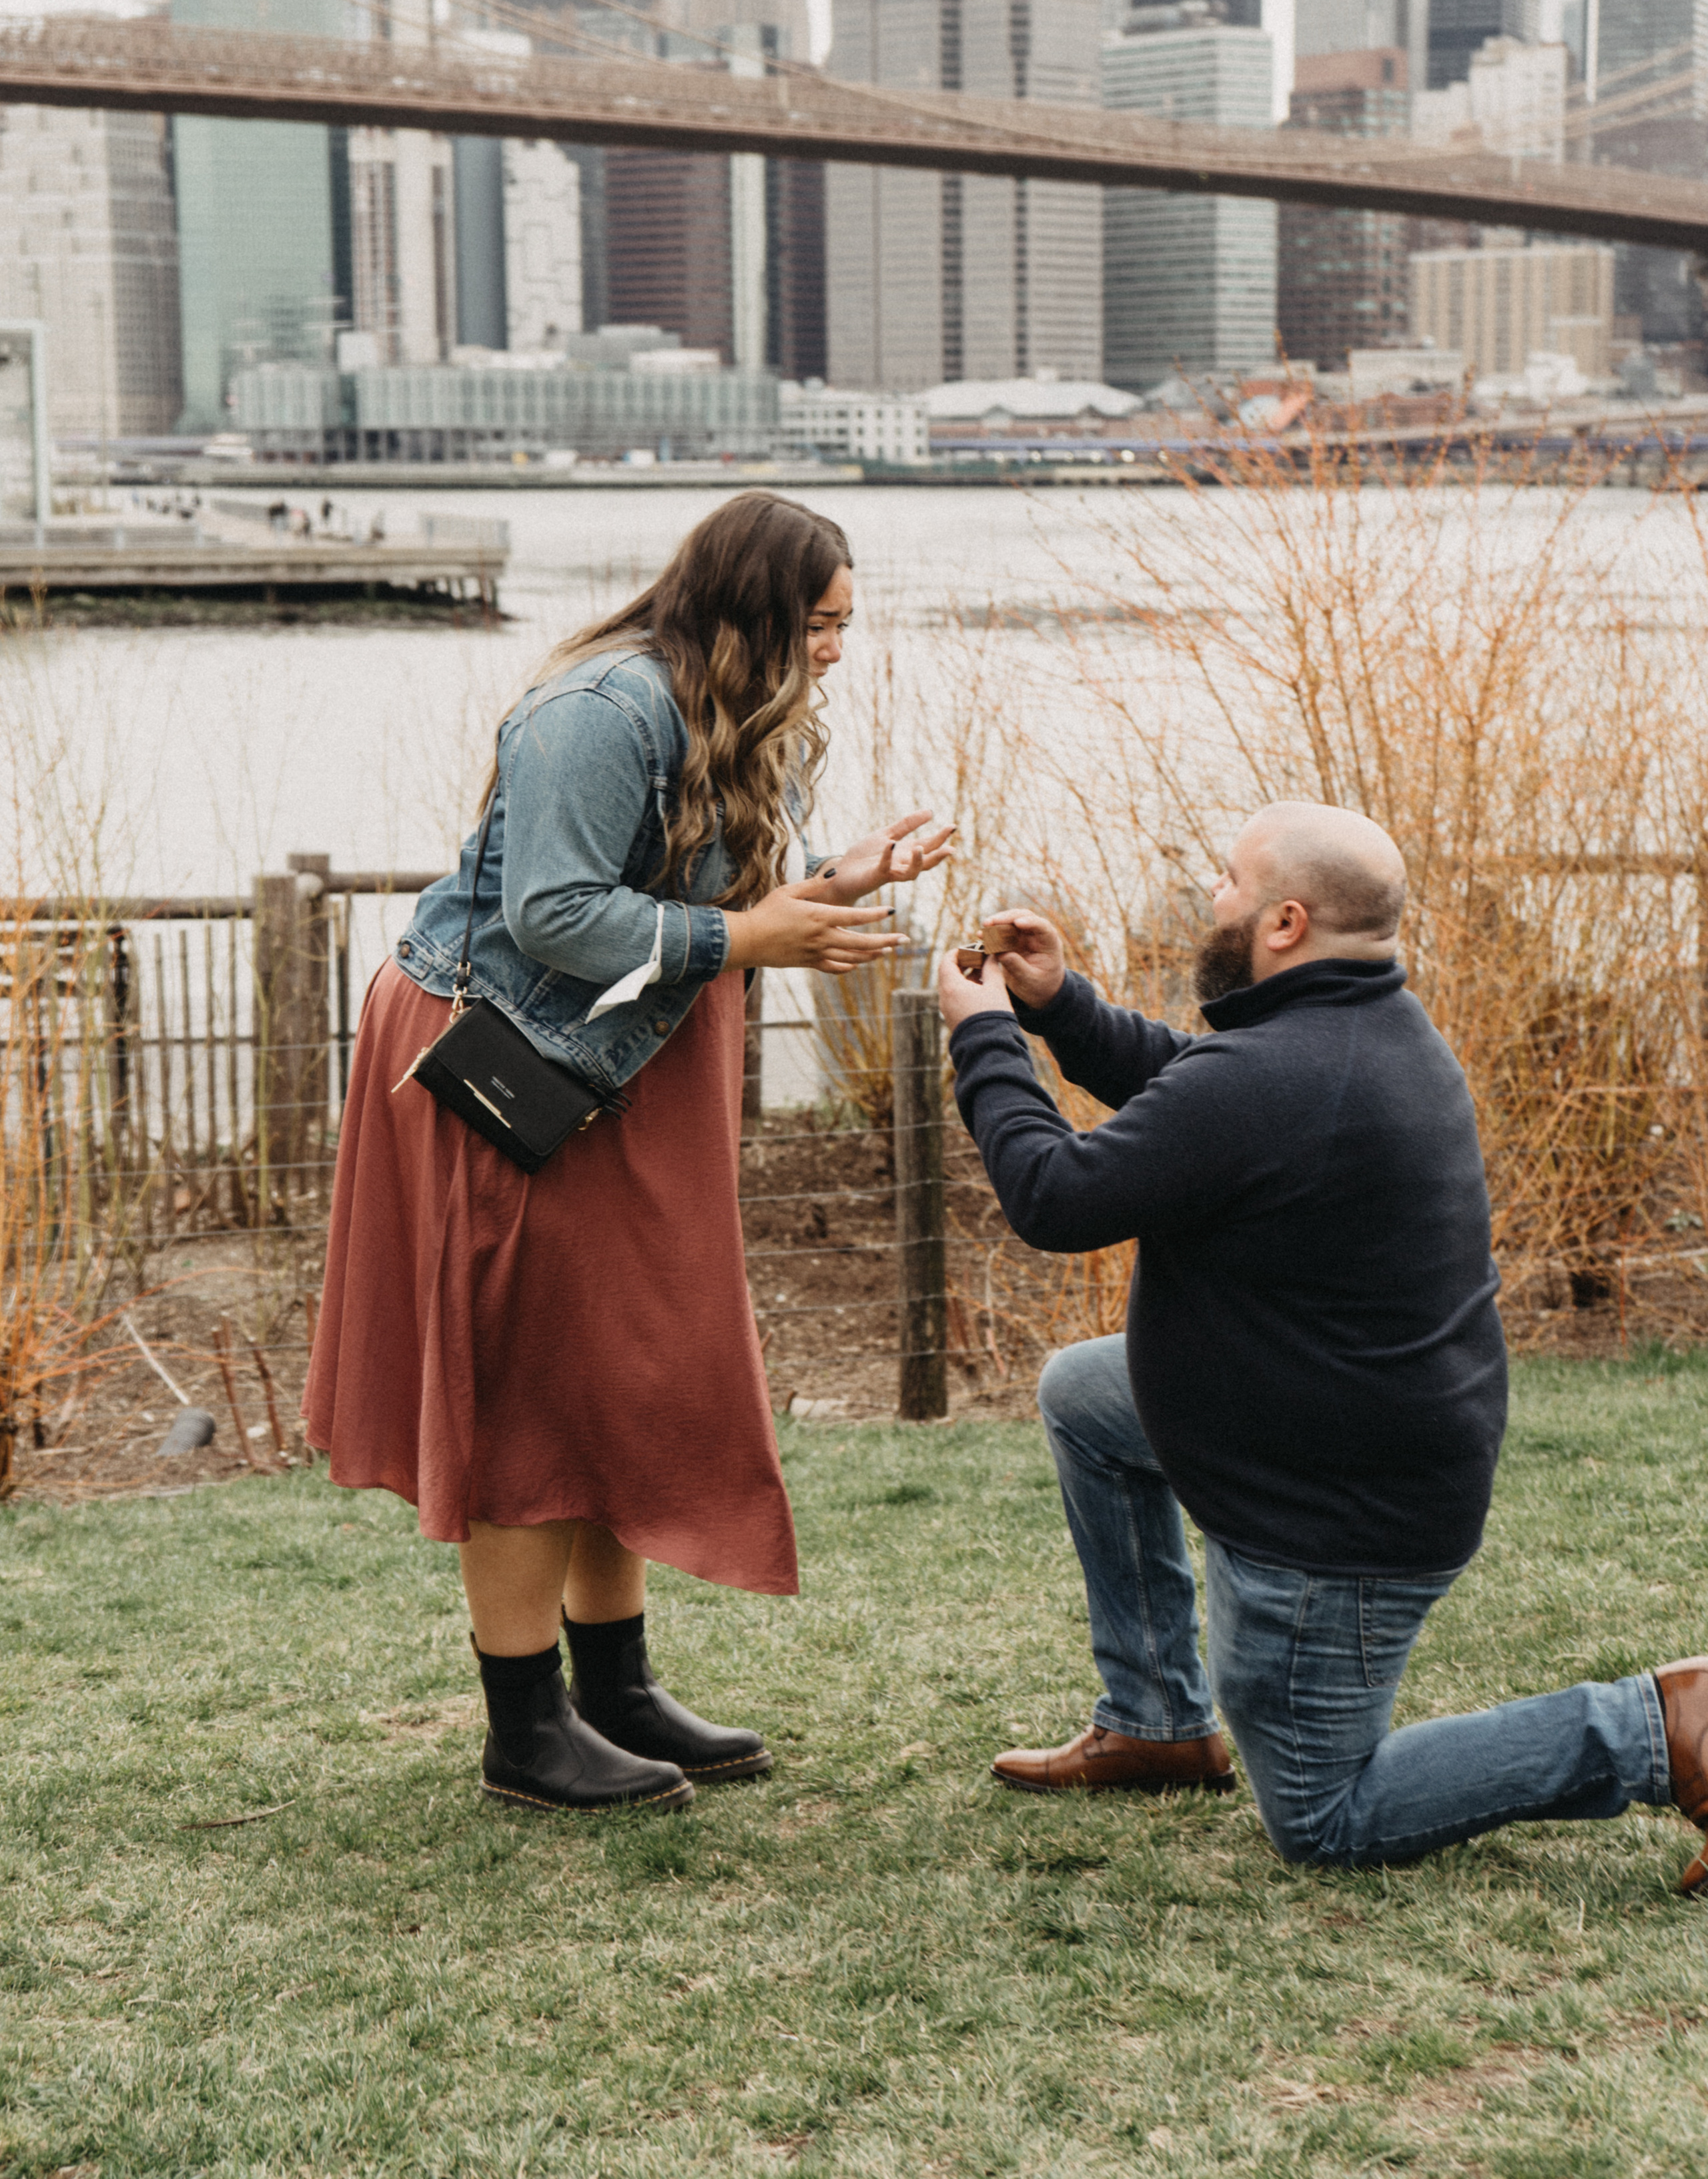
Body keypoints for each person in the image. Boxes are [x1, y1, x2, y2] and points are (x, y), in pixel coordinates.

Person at [306, 493, 953, 1817]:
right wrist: (746, 945)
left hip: (618, 1061)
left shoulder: (743, 711)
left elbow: (723, 884)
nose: (836, 649)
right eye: (820, 624)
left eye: (844, 626)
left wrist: (843, 876)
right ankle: (523, 1730)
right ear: (751, 614)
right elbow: (552, 916)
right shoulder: (596, 715)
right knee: (531, 1376)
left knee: (618, 1363)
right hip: (499, 1061)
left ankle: (615, 1685)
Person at [937, 800, 1708, 1890]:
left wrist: (979, 1034)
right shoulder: (1363, 1034)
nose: (1212, 895)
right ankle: (1159, 1719)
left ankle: (1667, 1727)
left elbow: (1056, 1198)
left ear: (1285, 921)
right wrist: (1060, 1008)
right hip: (1352, 1433)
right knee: (1086, 1395)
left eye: (1227, 882)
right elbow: (1194, 1097)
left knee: (1327, 1815)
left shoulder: (1281, 1069)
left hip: (1339, 1514)